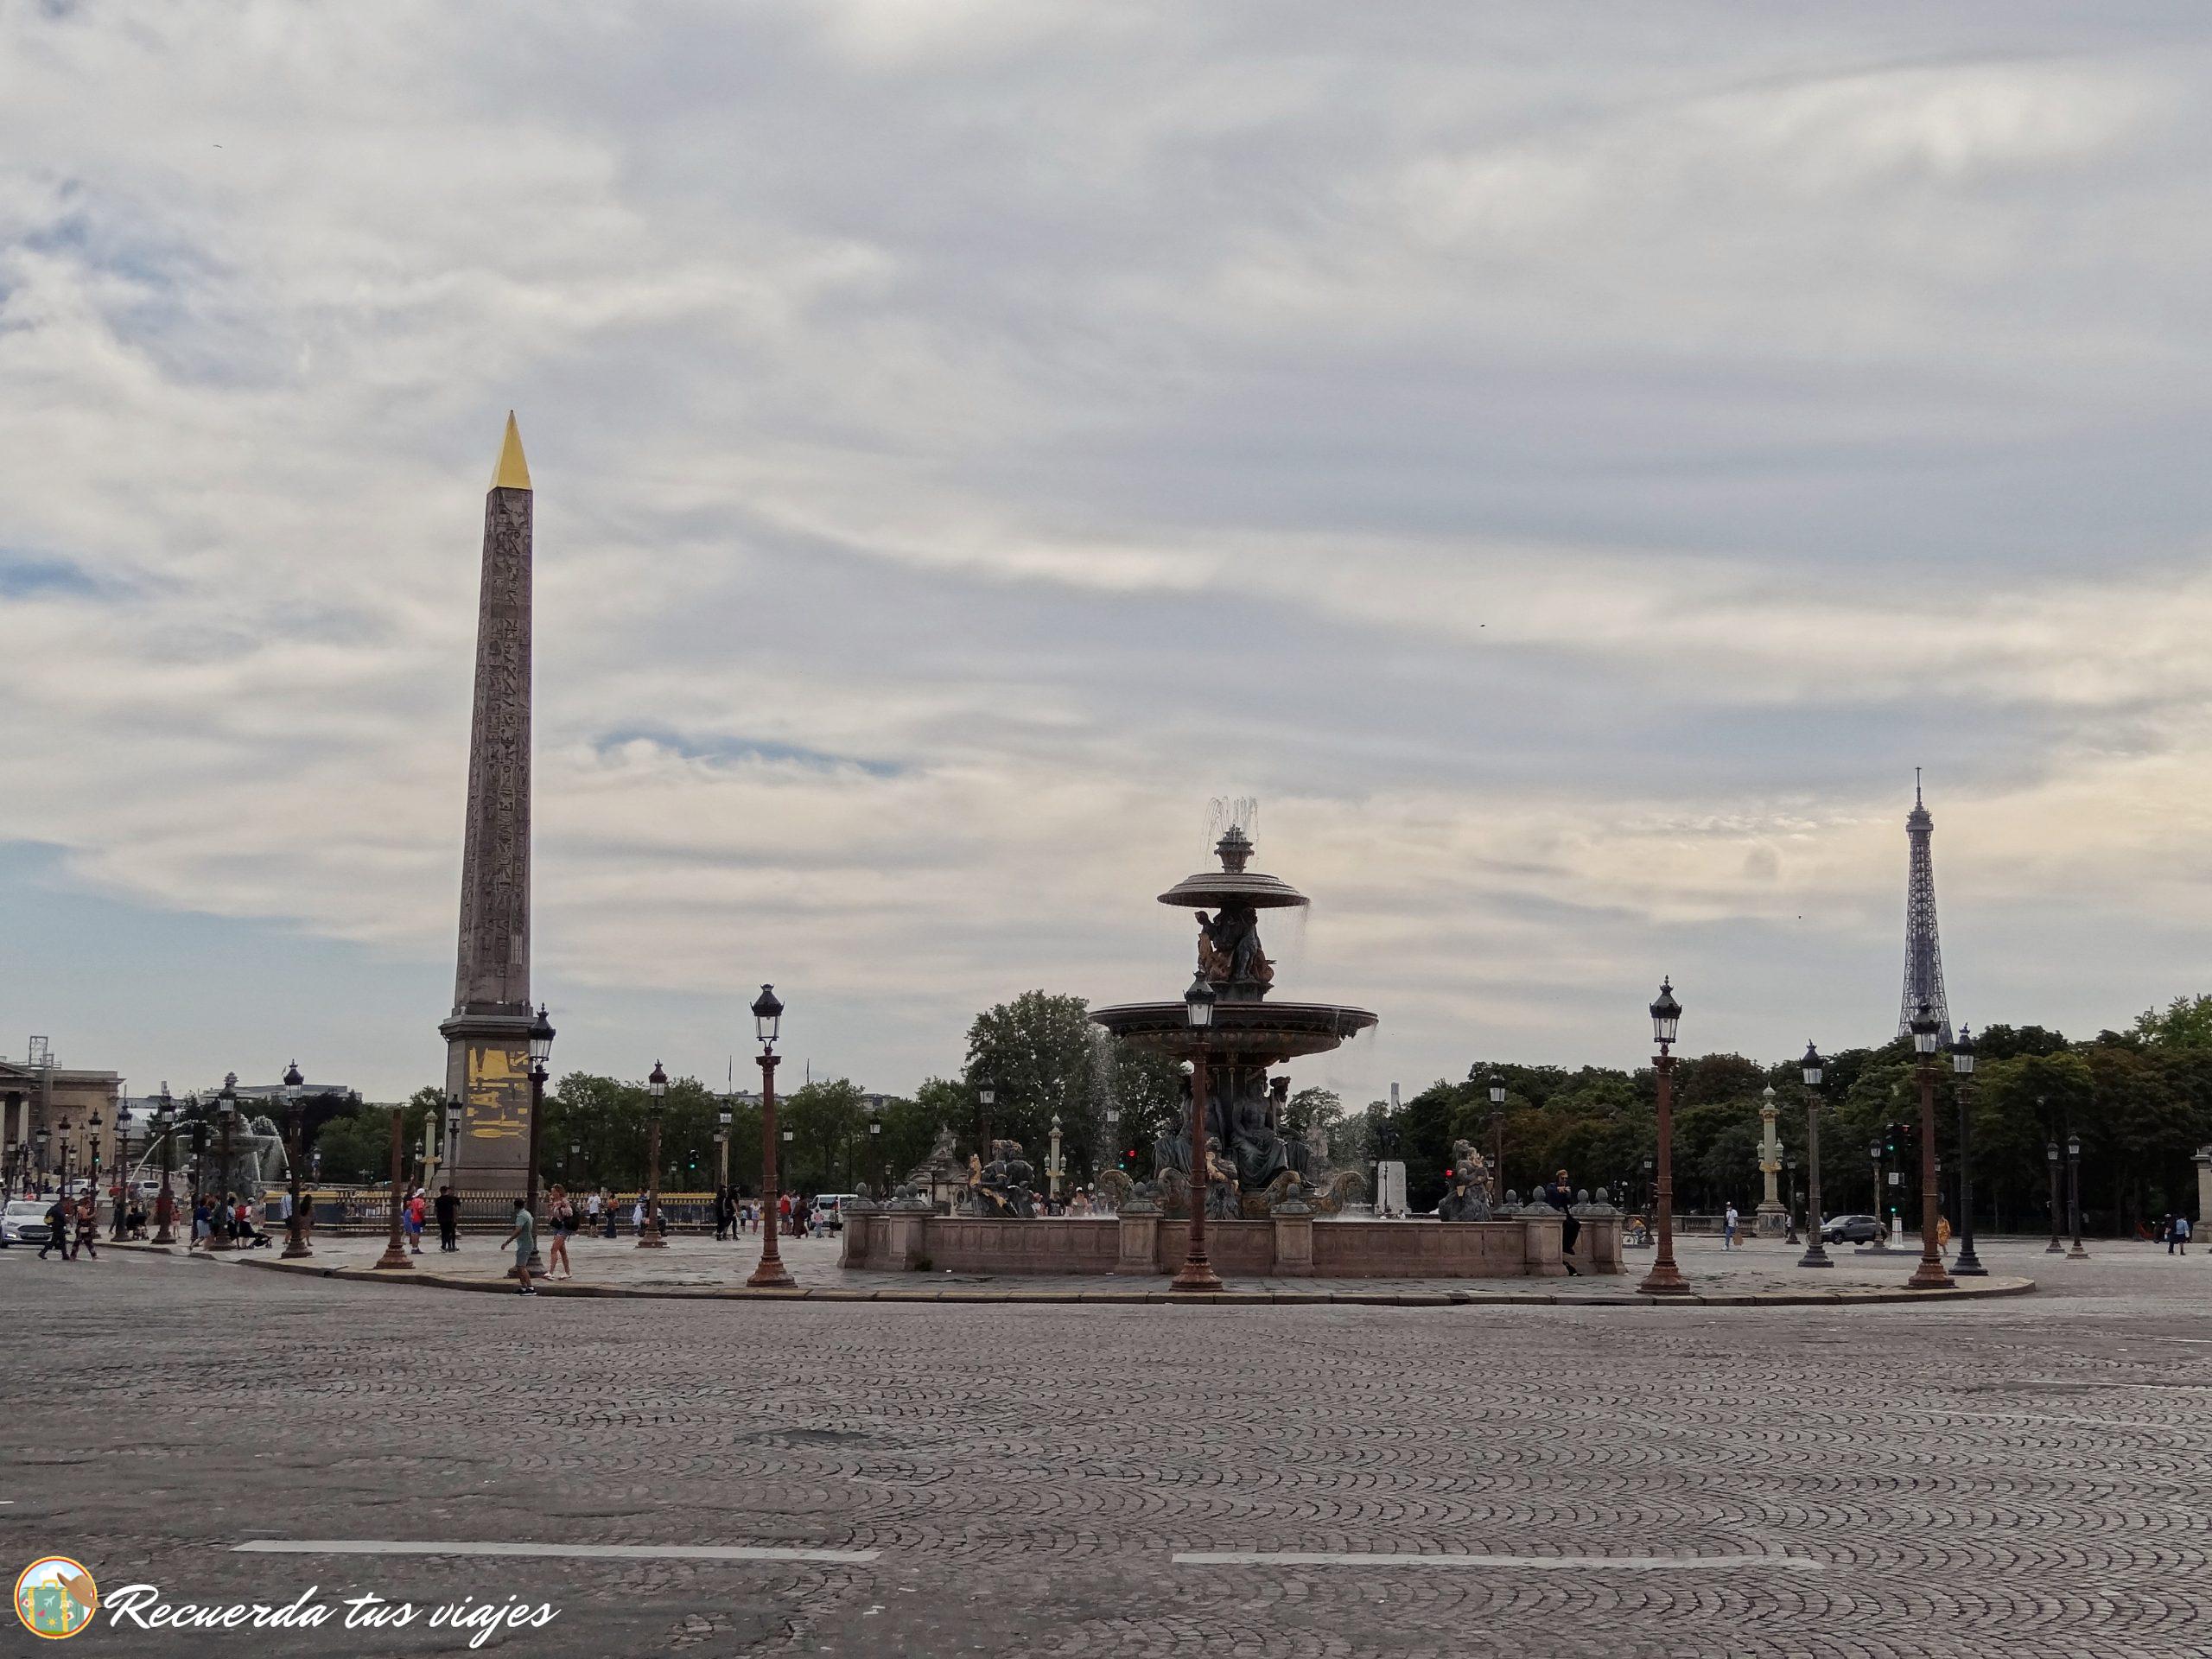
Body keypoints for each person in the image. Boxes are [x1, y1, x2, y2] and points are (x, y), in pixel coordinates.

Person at [1545, 1168, 1581, 1276]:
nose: (1564, 1180)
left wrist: (1567, 1193)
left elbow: (1569, 1200)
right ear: (1558, 1178)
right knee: (1567, 1225)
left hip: (1564, 1211)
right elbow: (1551, 1193)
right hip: (1555, 1211)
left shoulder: (1565, 1188)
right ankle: (1565, 1245)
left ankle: (1568, 1245)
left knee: (1576, 1225)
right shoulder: (1551, 1186)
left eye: (1566, 1179)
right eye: (1562, 1178)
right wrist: (1559, 1190)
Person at [499, 1197, 537, 1295]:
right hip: (526, 1243)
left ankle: (530, 1287)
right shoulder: (527, 1214)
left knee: (521, 1267)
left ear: (515, 1206)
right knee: (520, 1267)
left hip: (525, 1243)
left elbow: (518, 1230)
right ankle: (524, 1287)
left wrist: (507, 1242)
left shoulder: (521, 1216)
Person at [546, 1184, 574, 1280]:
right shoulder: (554, 1201)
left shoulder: (564, 1201)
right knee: (562, 1251)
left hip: (564, 1227)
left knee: (554, 1249)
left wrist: (561, 1208)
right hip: (557, 1226)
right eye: (552, 1191)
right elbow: (552, 1214)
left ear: (559, 1192)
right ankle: (568, 1272)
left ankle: (551, 1272)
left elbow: (569, 1213)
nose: (552, 1193)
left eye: (553, 1191)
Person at [39, 1193, 71, 1260]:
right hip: (58, 1227)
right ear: (64, 1201)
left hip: (56, 1226)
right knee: (54, 1241)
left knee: (62, 1241)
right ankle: (42, 1252)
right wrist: (67, 1221)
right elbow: (62, 1217)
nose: (67, 1204)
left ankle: (64, 1255)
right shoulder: (59, 1208)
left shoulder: (55, 1207)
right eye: (67, 1202)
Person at [434, 1184, 461, 1252]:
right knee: (449, 1232)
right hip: (449, 1218)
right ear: (446, 1191)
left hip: (441, 1218)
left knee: (443, 1232)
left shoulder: (438, 1200)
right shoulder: (451, 1199)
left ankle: (444, 1246)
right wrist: (455, 1217)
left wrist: (436, 1217)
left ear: (441, 1191)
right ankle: (448, 1246)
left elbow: (436, 1209)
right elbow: (454, 1208)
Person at [73, 1192, 99, 1258]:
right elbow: (85, 1218)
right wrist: (94, 1214)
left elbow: (82, 1219)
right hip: (83, 1228)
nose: (90, 1205)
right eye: (89, 1204)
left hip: (81, 1227)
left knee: (78, 1242)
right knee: (88, 1242)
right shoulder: (83, 1209)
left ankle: (73, 1255)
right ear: (86, 1204)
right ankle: (93, 1255)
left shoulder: (80, 1209)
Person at [406, 1188, 427, 1254]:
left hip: (412, 1217)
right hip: (418, 1218)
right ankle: (416, 1248)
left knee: (413, 1232)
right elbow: (420, 1210)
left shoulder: (414, 1200)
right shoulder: (420, 1201)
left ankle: (414, 1247)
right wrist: (426, 1207)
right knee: (417, 1233)